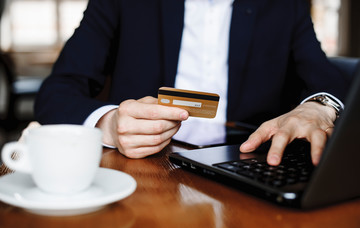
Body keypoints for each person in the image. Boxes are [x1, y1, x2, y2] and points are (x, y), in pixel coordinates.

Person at [34, 0, 349, 165]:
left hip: (246, 168)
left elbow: (325, 79)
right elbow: (56, 93)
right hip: (143, 171)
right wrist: (110, 124)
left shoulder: (286, 5)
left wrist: (319, 108)